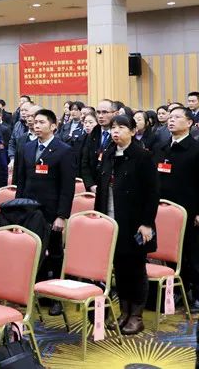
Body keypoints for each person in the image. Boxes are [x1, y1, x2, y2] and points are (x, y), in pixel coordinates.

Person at [93, 115, 158, 335]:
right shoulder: (109, 154)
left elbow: (152, 193)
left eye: (121, 127)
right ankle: (124, 312)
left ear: (132, 131)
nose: (116, 131)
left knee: (135, 269)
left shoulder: (143, 156)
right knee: (119, 269)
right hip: (111, 220)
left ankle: (136, 316)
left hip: (134, 223)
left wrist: (147, 223)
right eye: (113, 127)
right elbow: (102, 188)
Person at [15, 108, 76, 316]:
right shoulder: (27, 147)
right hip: (29, 210)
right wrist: (18, 207)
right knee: (32, 251)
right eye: (35, 122)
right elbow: (20, 180)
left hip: (51, 211)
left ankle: (56, 297)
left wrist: (62, 215)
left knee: (54, 253)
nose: (36, 125)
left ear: (53, 126)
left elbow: (67, 187)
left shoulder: (64, 150)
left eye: (41, 122)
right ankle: (36, 290)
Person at [155, 107, 199, 305]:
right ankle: (177, 290)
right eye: (170, 117)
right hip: (164, 211)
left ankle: (196, 293)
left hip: (189, 210)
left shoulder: (195, 149)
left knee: (192, 253)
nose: (171, 120)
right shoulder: (162, 148)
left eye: (176, 117)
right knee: (170, 252)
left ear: (189, 123)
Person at [81, 99, 119, 191]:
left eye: (105, 112)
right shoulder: (92, 134)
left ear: (115, 114)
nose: (100, 116)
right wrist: (90, 185)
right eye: (98, 112)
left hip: (113, 187)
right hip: (94, 186)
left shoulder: (120, 134)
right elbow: (85, 163)